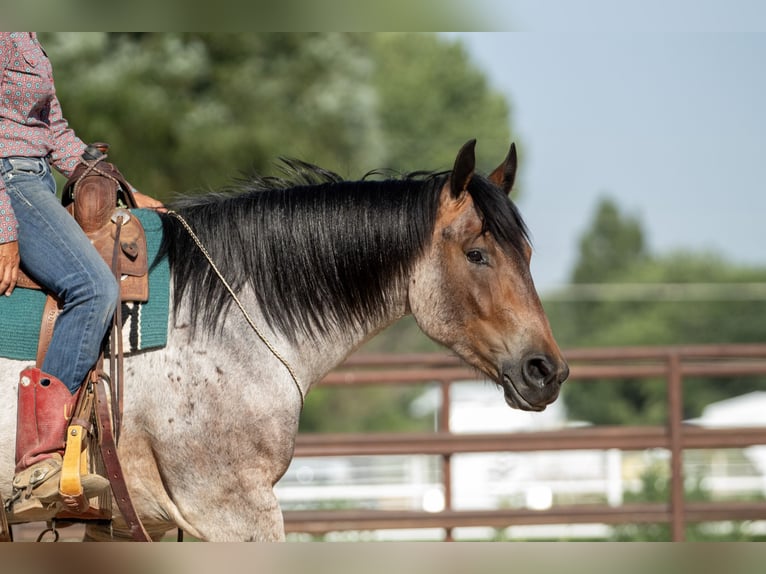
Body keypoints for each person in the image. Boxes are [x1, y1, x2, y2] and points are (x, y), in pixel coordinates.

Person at [0, 32, 163, 519]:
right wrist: (4, 228)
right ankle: (39, 462)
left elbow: (55, 134)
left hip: (35, 180)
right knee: (94, 288)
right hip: (11, 183)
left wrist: (129, 191)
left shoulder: (26, 34)